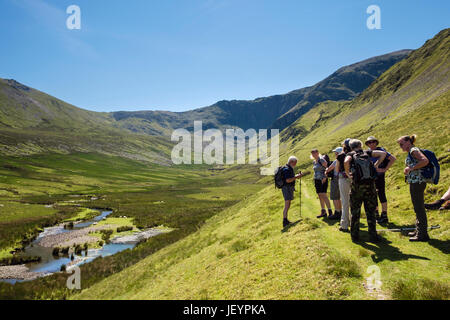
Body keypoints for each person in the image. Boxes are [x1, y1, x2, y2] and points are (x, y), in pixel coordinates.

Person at [344, 139, 386, 242]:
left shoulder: (350, 154)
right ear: (361, 145)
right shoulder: (367, 152)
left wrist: (348, 172)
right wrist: (376, 165)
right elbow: (383, 154)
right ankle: (373, 236)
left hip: (357, 187)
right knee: (371, 212)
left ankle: (355, 236)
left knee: (355, 212)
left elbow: (346, 161)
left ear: (351, 146)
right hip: (370, 186)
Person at [397, 135, 431, 242]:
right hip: (416, 182)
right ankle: (419, 230)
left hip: (417, 182)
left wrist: (411, 168)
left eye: (401, 144)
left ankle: (422, 234)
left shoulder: (413, 150)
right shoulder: (412, 151)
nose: (401, 146)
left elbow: (425, 161)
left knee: (419, 207)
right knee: (417, 207)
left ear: (408, 142)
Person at [365, 136, 397, 224]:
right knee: (373, 195)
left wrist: (385, 169)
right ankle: (376, 214)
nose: (371, 144)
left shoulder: (381, 151)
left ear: (376, 142)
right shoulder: (368, 152)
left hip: (379, 177)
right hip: (371, 177)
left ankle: (384, 215)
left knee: (381, 194)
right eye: (369, 143)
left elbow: (393, 159)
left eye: (373, 142)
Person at [281, 156, 304, 227]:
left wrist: (296, 176)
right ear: (291, 162)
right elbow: (288, 180)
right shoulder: (287, 169)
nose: (295, 165)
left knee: (288, 204)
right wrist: (297, 177)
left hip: (288, 188)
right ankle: (285, 221)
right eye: (295, 163)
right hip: (287, 188)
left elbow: (290, 178)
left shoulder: (288, 168)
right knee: (287, 204)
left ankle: (286, 220)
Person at [336, 138, 352, 232]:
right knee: (352, 201)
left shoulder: (341, 155)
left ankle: (344, 224)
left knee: (345, 201)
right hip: (354, 179)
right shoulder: (354, 154)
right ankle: (352, 221)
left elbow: (337, 169)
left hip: (343, 179)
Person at [311, 149, 333, 218]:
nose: (313, 155)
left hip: (323, 179)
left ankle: (330, 211)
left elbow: (327, 168)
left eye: (315, 153)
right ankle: (323, 211)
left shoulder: (322, 160)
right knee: (320, 195)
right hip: (317, 180)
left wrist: (325, 177)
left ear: (318, 153)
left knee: (324, 195)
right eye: (312, 154)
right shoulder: (314, 161)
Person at [325, 147, 343, 220]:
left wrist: (326, 170)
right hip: (343, 178)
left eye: (335, 153)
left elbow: (329, 168)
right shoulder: (345, 160)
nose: (335, 154)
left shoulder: (337, 161)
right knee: (340, 196)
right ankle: (341, 211)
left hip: (335, 179)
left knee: (335, 196)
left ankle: (337, 212)